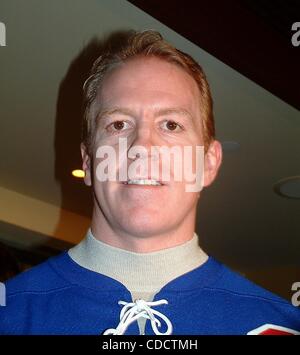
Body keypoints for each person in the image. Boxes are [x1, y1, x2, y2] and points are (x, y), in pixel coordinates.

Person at [0, 30, 299, 335]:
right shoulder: (9, 315)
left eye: (171, 124)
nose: (142, 145)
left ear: (208, 163)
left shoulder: (281, 326)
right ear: (88, 162)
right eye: (118, 124)